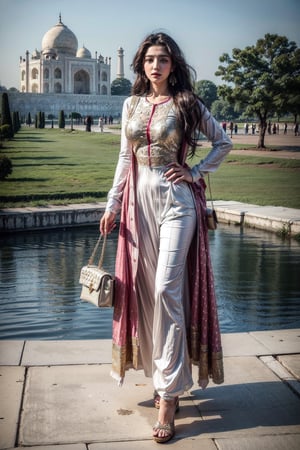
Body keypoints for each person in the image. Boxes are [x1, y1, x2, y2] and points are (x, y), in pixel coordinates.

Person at [100, 32, 232, 444]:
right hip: (139, 204)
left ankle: (169, 398)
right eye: (150, 59)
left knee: (165, 290)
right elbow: (125, 157)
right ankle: (161, 375)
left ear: (173, 65)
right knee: (144, 291)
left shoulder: (187, 103)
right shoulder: (131, 105)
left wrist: (194, 171)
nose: (156, 65)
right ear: (141, 64)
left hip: (177, 202)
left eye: (163, 59)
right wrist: (112, 203)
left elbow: (223, 141)